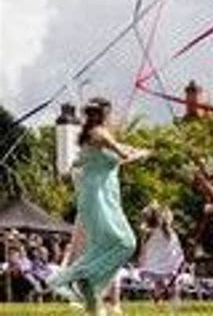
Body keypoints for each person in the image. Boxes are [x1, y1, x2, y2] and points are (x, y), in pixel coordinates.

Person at [47, 98, 151, 316]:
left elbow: (105, 155)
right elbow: (121, 155)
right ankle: (78, 277)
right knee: (125, 243)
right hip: (99, 197)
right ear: (105, 114)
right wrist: (140, 154)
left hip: (103, 196)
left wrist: (135, 150)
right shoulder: (100, 134)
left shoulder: (93, 136)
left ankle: (91, 294)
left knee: (105, 245)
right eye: (110, 113)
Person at [139, 202, 185, 301]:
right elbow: (176, 248)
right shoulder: (169, 232)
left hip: (154, 263)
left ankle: (158, 298)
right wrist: (179, 258)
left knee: (158, 283)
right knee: (173, 282)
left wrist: (142, 259)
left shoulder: (148, 232)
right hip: (169, 263)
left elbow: (143, 248)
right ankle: (174, 298)